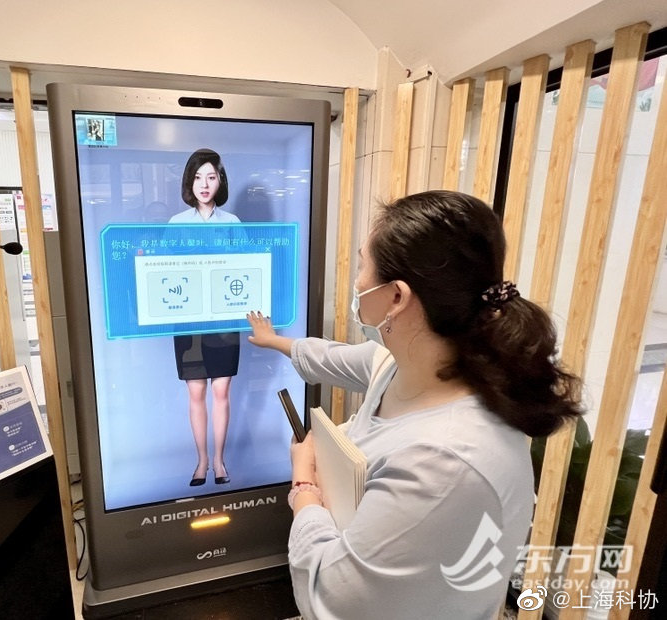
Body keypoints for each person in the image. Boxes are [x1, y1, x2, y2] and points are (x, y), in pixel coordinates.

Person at [246, 190, 581, 619]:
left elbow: (331, 599)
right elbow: (331, 357)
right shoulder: (401, 365)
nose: (357, 280)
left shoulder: (444, 463)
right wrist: (275, 341)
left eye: (363, 264)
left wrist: (304, 487)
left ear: (397, 297)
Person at [169, 149, 241, 486]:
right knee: (196, 392)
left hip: (225, 320)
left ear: (220, 181)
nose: (205, 184)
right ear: (189, 181)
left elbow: (244, 270)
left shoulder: (233, 224)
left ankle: (219, 461)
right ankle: (201, 463)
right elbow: (165, 274)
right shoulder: (176, 224)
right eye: (198, 177)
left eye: (211, 176)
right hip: (189, 321)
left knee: (222, 391)